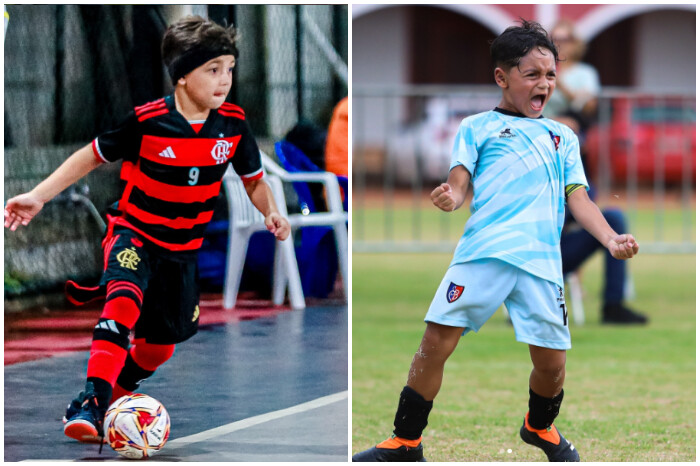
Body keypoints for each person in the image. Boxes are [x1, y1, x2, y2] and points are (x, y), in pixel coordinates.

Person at [352, 20, 639, 462]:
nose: (544, 84)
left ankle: (538, 427)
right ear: (502, 78)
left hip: (541, 262)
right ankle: (405, 441)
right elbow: (459, 182)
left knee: (552, 364)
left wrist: (609, 238)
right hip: (482, 255)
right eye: (532, 75)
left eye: (550, 75)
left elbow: (577, 197)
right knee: (435, 345)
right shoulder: (477, 127)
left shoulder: (562, 136)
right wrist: (450, 197)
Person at [4, 15, 291, 444]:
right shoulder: (147, 120)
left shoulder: (233, 125)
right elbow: (90, 155)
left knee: (160, 346)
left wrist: (270, 210)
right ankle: (92, 401)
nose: (224, 79)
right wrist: (39, 196)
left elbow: (253, 180)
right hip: (133, 232)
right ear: (181, 78)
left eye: (229, 68)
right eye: (212, 69)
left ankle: (114, 401)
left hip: (182, 250)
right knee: (122, 302)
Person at [546, 20, 647, 324]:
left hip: (571, 165)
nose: (561, 43)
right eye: (556, 39)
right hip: (542, 172)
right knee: (555, 217)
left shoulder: (583, 75)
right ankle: (534, 295)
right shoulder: (533, 81)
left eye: (566, 39)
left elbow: (586, 107)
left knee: (609, 218)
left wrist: (556, 79)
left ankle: (612, 305)